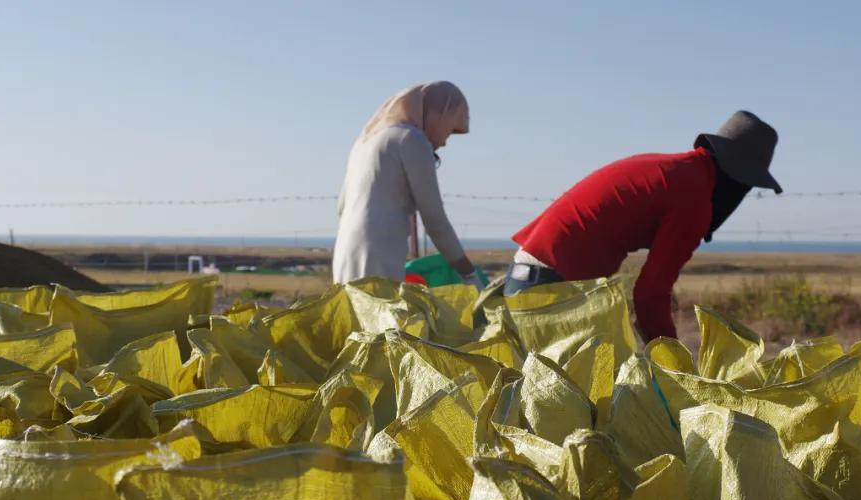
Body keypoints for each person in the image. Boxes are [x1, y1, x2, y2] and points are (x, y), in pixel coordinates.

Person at [506, 110, 781, 341]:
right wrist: (670, 361)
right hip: (553, 291)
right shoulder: (693, 196)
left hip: (530, 279)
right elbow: (650, 294)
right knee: (589, 400)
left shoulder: (675, 170)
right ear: (736, 178)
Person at [332, 81, 485, 289]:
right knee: (380, 317)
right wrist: (468, 273)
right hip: (380, 249)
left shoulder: (365, 141)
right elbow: (435, 221)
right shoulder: (411, 139)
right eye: (449, 131)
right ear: (438, 116)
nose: (445, 142)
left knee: (352, 316)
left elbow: (341, 206)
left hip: (345, 248)